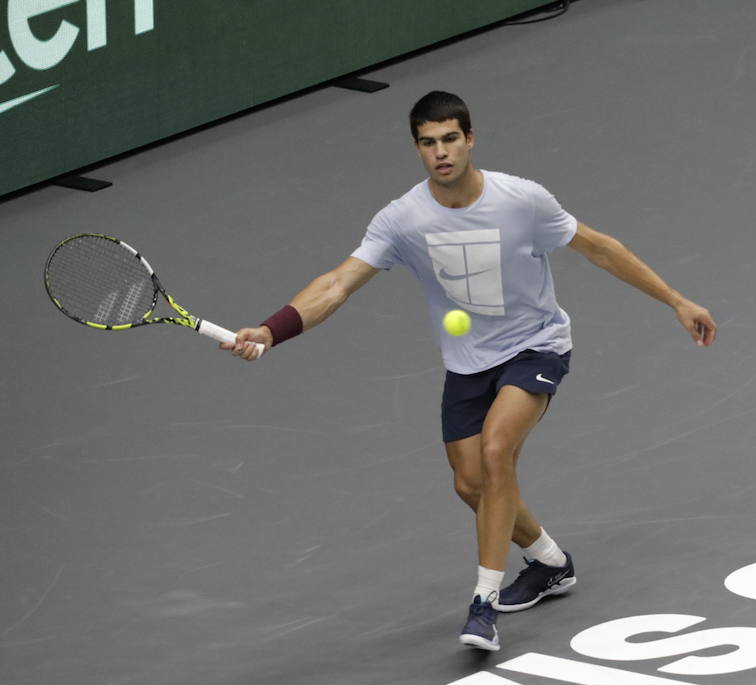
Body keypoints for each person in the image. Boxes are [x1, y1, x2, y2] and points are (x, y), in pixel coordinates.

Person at [224, 90, 716, 652]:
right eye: (429, 143)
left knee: (495, 450)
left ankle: (483, 603)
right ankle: (550, 561)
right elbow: (337, 283)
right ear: (417, 148)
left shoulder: (522, 201)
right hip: (467, 363)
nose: (441, 153)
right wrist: (271, 328)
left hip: (536, 345)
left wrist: (676, 300)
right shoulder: (402, 219)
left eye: (451, 139)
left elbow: (601, 249)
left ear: (470, 139)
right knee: (471, 484)